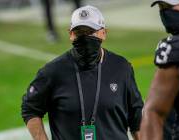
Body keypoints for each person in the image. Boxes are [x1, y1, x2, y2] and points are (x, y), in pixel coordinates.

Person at [22, 5, 143, 140]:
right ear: (71, 35)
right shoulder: (52, 72)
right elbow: (30, 108)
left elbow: (136, 118)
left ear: (103, 33)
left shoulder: (121, 67)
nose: (85, 37)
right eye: (80, 32)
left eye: (91, 32)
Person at [140, 0, 179, 140]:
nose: (165, 13)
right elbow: (153, 111)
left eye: (169, 7)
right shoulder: (176, 49)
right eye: (162, 8)